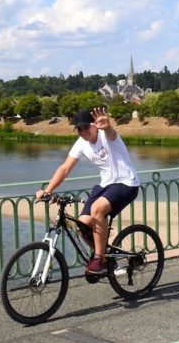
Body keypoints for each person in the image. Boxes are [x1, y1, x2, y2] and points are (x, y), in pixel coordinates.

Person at [36, 107, 140, 273]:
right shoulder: (81, 143)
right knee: (82, 226)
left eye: (86, 127)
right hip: (105, 185)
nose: (83, 131)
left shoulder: (107, 137)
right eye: (79, 129)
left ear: (95, 126)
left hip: (126, 183)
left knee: (97, 209)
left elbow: (112, 133)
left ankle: (99, 258)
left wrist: (107, 126)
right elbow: (64, 168)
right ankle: (106, 255)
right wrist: (47, 190)